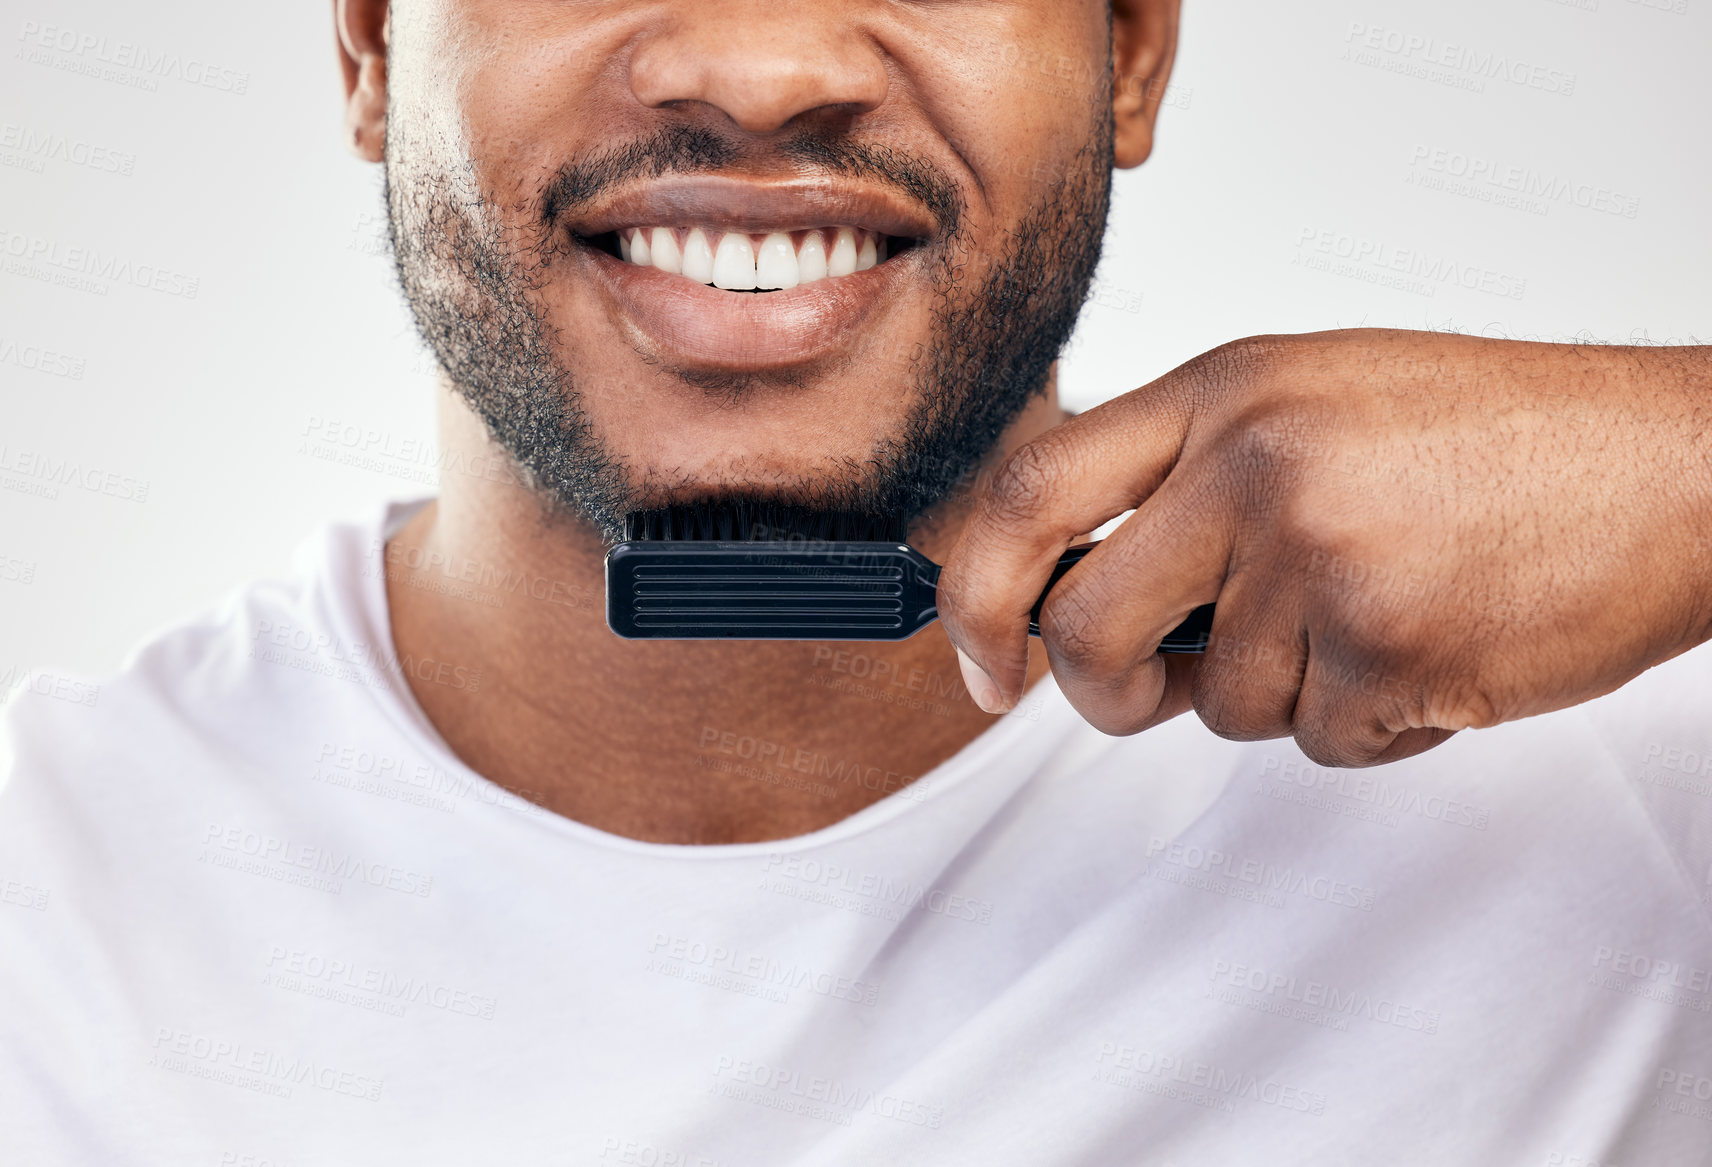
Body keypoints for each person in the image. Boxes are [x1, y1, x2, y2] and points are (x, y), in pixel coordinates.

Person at [3, 0, 1709, 1162]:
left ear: (1129, 51)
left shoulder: (1640, 812)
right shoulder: (46, 911)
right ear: (375, 44)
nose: (760, 68)